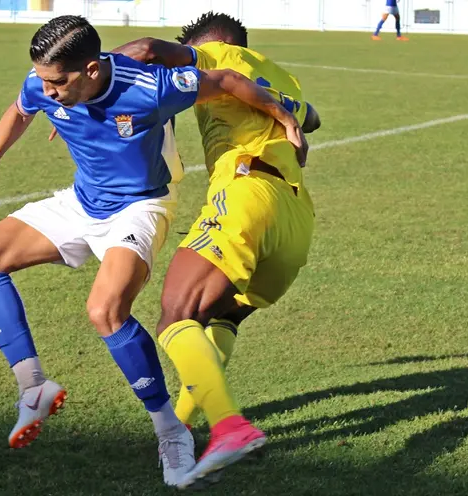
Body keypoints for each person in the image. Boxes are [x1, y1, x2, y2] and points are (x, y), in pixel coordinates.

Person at [0, 15, 307, 486]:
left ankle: (171, 432)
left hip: (139, 208)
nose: (49, 92)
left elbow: (225, 79)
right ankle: (33, 387)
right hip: (81, 201)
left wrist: (285, 116)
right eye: (44, 81)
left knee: (105, 310)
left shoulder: (152, 87)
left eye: (59, 83)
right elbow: (20, 110)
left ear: (91, 70)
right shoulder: (45, 84)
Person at [114, 12, 320, 488]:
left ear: (212, 44)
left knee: (175, 314)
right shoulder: (283, 78)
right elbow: (315, 117)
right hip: (295, 217)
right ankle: (182, 427)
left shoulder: (217, 55)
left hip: (247, 193)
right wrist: (288, 113)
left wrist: (90, 82)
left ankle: (229, 426)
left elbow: (146, 49)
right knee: (223, 315)